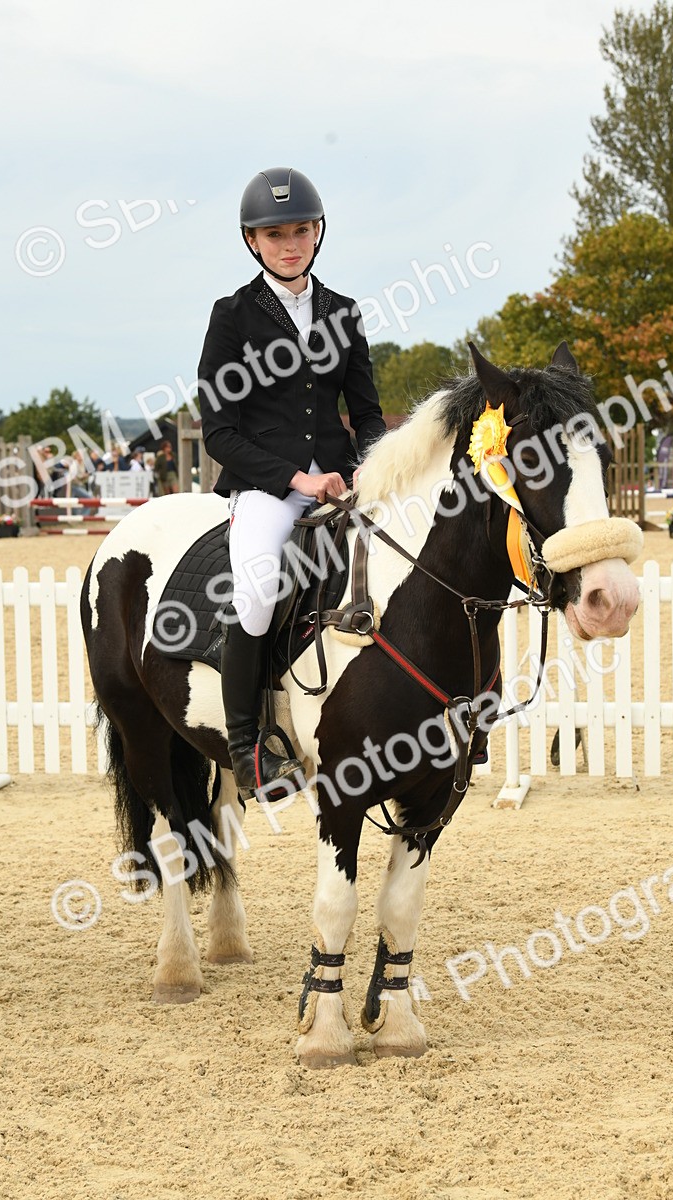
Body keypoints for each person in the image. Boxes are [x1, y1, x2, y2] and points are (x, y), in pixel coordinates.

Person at [199, 167, 386, 801]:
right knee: (254, 592)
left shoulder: (344, 312)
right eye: (275, 233)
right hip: (265, 487)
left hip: (339, 483)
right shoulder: (232, 317)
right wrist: (295, 477)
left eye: (301, 230)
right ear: (253, 241)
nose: (290, 244)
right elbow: (218, 432)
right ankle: (247, 746)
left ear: (317, 232)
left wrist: (367, 464)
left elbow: (364, 412)